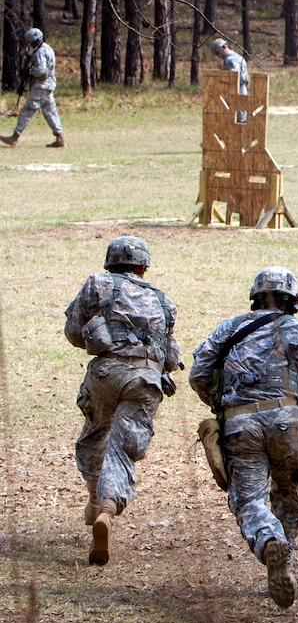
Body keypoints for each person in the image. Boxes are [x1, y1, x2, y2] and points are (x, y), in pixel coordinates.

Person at [189, 267, 298, 608]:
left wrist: (221, 402)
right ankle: (286, 562)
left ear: (254, 298)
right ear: (292, 301)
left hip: (240, 425)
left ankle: (269, 543)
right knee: (287, 494)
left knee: (248, 501)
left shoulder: (229, 328)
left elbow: (198, 375)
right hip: (288, 422)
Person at [64, 237, 181, 566]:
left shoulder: (97, 285)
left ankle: (93, 499)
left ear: (110, 263)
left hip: (106, 374)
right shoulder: (162, 300)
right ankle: (108, 509)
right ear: (143, 267)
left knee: (96, 432)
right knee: (123, 448)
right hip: (147, 380)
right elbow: (170, 355)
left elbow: (74, 331)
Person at [1, 28, 65, 148]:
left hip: (41, 85)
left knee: (27, 110)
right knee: (50, 112)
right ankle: (59, 137)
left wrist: (30, 71)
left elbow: (41, 70)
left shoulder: (40, 52)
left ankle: (15, 137)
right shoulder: (48, 49)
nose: (30, 44)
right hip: (49, 84)